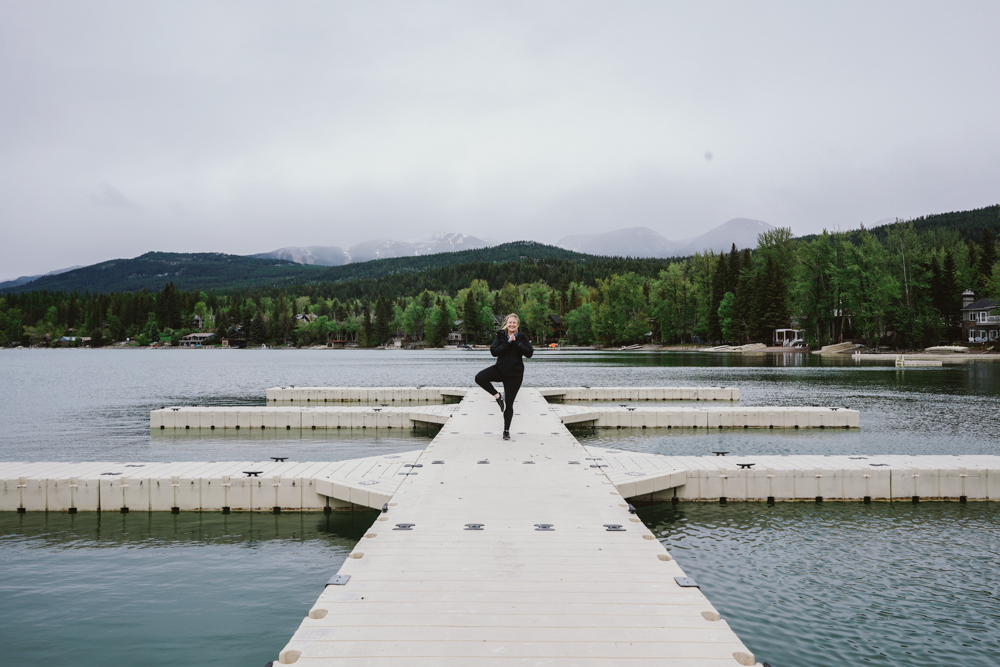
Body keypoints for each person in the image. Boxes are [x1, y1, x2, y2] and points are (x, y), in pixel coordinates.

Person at [474, 313, 533, 440]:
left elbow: (529, 353)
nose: (511, 325)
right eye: (509, 322)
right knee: (479, 377)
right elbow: (494, 352)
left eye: (514, 323)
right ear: (506, 323)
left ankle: (506, 431)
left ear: (517, 325)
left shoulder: (522, 337)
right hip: (500, 369)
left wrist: (516, 343)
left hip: (515, 375)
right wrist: (507, 342)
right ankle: (498, 396)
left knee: (509, 404)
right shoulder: (500, 335)